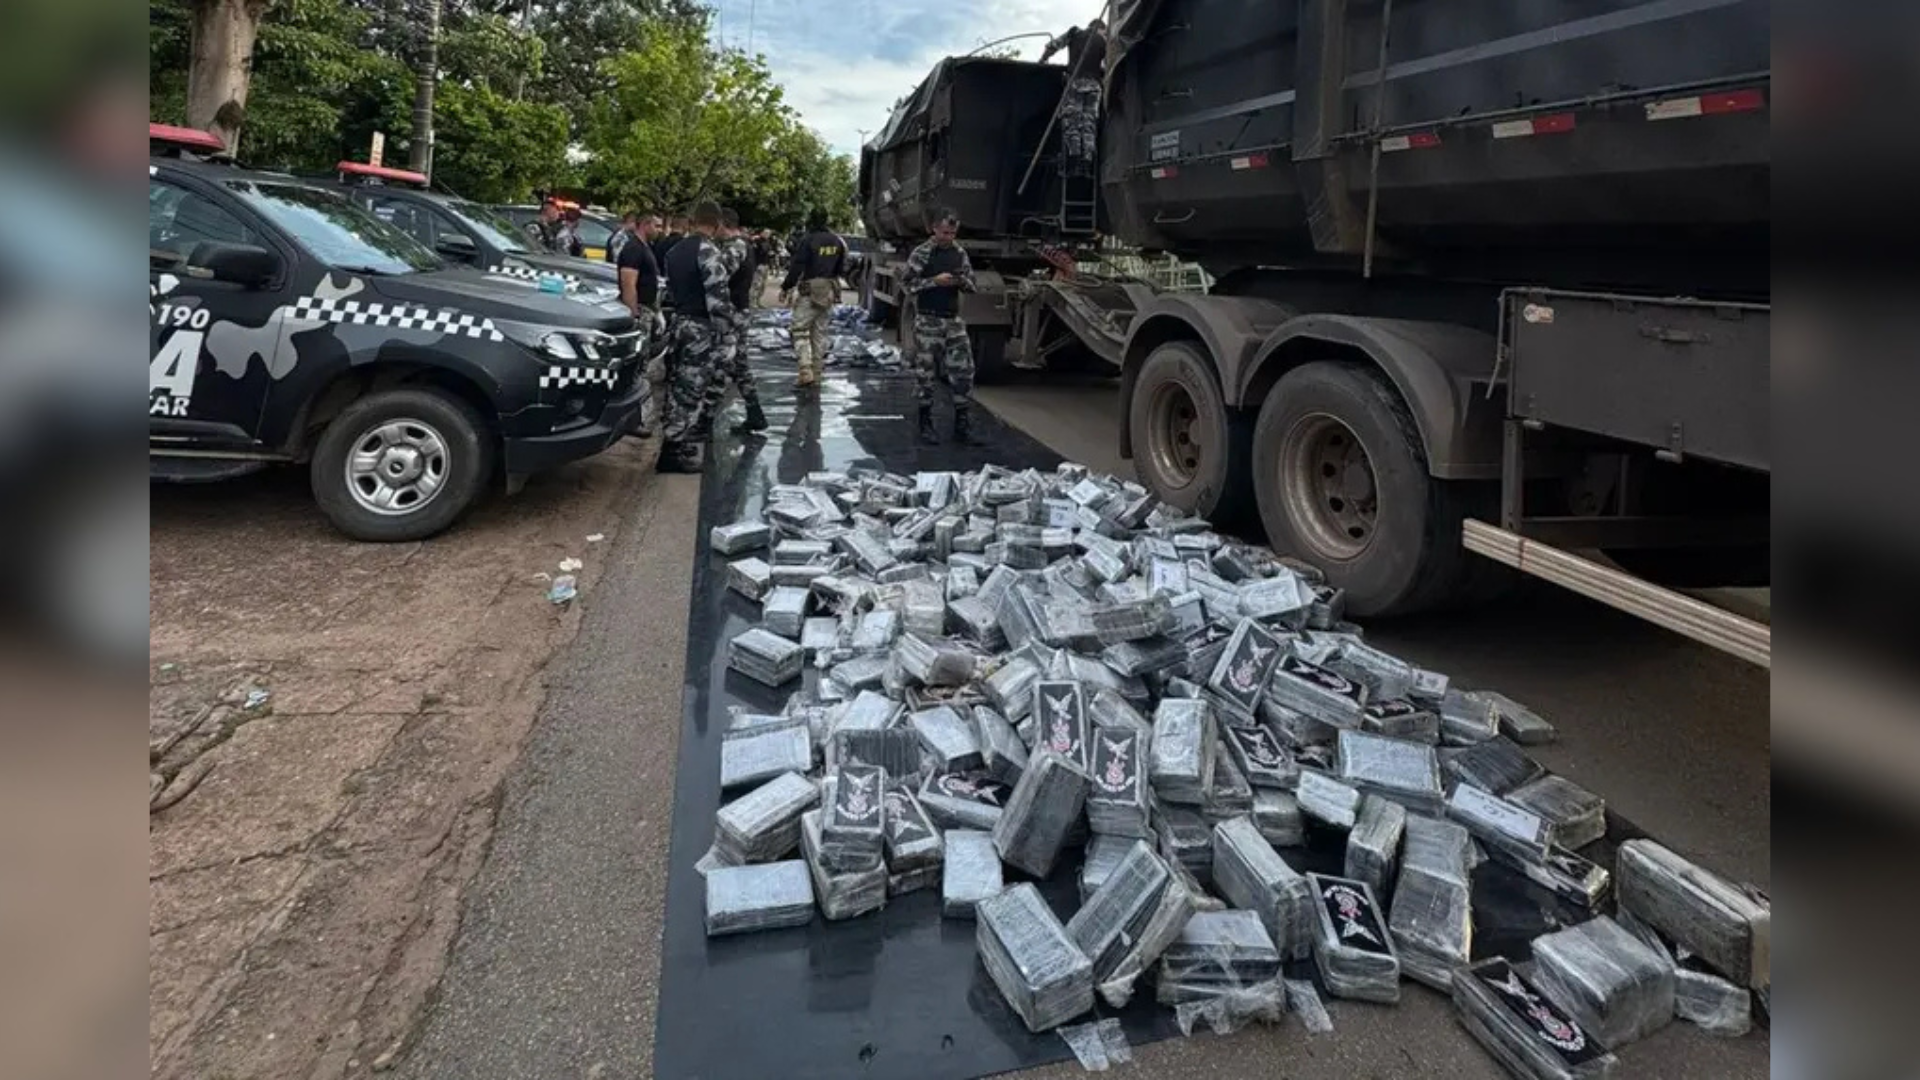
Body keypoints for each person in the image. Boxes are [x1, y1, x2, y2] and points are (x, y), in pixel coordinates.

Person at [657, 201, 734, 473]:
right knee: (690, 390)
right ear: (715, 224)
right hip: (701, 328)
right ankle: (671, 452)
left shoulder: (675, 250)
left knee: (678, 384)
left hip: (679, 323)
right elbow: (717, 299)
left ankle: (676, 442)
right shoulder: (709, 252)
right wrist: (726, 333)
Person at [898, 207, 984, 446]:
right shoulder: (922, 253)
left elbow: (973, 285)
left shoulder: (959, 253)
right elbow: (906, 284)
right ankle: (925, 423)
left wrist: (961, 281)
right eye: (945, 232)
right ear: (934, 229)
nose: (949, 237)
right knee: (926, 374)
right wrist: (933, 282)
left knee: (963, 371)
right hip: (928, 320)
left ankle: (962, 425)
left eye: (953, 233)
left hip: (953, 321)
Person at [706, 208, 767, 434]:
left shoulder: (735, 247)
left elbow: (718, 279)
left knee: (721, 364)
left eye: (717, 226)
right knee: (739, 366)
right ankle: (755, 414)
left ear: (723, 224)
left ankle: (705, 421)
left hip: (731, 314)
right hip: (738, 312)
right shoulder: (742, 245)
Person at [780, 212, 848, 393]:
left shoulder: (808, 240)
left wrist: (786, 286)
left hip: (809, 290)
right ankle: (817, 375)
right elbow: (842, 267)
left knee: (799, 329)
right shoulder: (837, 241)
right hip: (829, 291)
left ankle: (805, 370)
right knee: (820, 334)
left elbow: (797, 265)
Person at [1041, 18, 1108, 177]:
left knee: (1072, 121)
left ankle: (1073, 160)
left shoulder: (1075, 33)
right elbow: (1108, 65)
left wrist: (1044, 59)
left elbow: (1053, 45)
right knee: (1088, 123)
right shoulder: (1104, 42)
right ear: (1100, 28)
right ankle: (1087, 162)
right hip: (1094, 87)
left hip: (1075, 83)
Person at [615, 210, 661, 315]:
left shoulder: (645, 247)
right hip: (639, 307)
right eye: (657, 226)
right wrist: (634, 313)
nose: (659, 230)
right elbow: (628, 284)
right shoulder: (634, 248)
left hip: (647, 307)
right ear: (645, 225)